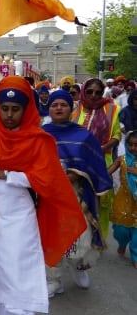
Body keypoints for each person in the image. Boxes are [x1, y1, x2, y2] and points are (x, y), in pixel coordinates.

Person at [0, 76, 86, 315]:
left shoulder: (39, 139)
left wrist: (5, 174)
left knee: (21, 270)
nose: (9, 115)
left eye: (15, 109)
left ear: (26, 109)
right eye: (4, 109)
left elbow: (46, 179)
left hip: (20, 215)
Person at [42, 89, 112, 297]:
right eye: (54, 105)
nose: (59, 108)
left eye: (63, 104)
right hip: (49, 195)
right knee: (50, 236)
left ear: (70, 108)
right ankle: (54, 280)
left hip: (77, 195)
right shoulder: (41, 134)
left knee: (80, 235)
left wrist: (75, 173)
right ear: (50, 109)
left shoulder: (84, 136)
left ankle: (78, 267)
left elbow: (94, 162)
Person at [72, 78, 120, 240]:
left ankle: (99, 239)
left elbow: (116, 136)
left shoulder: (113, 109)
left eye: (98, 92)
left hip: (101, 162)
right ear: (83, 91)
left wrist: (101, 148)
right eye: (89, 92)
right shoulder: (75, 109)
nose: (93, 95)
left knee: (101, 203)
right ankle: (79, 240)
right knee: (79, 201)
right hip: (77, 164)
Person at [109, 130, 137, 270]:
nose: (133, 148)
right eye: (130, 144)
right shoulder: (122, 159)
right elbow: (109, 171)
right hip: (123, 199)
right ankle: (122, 243)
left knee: (136, 232)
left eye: (136, 145)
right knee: (120, 230)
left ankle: (135, 255)